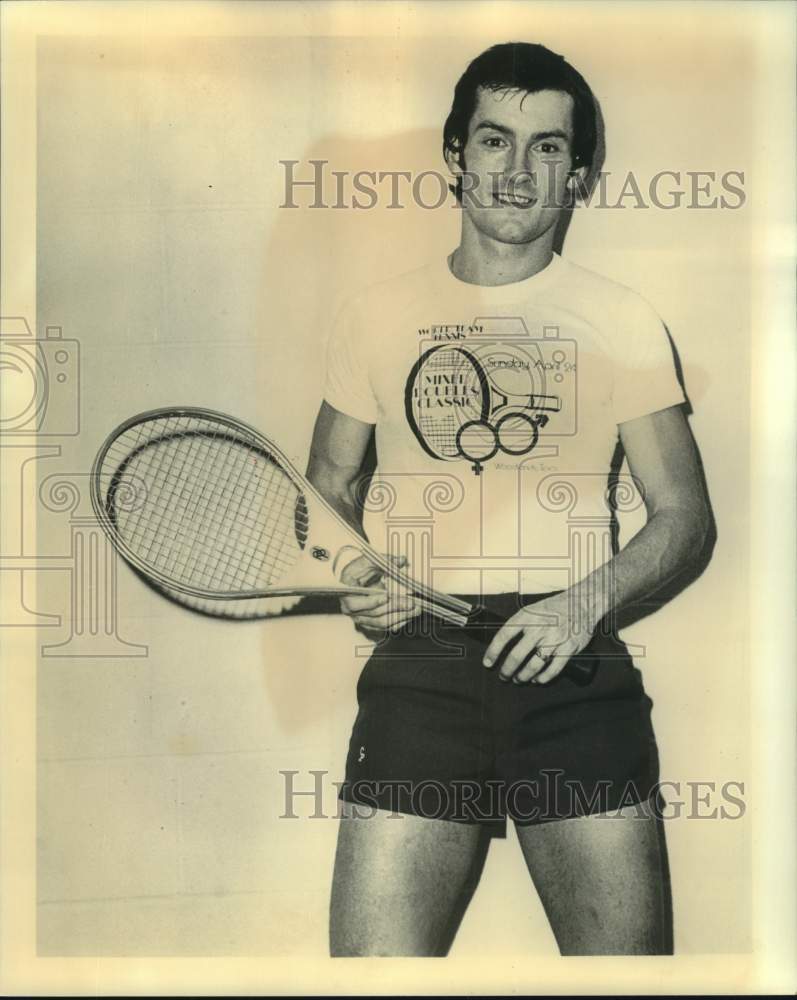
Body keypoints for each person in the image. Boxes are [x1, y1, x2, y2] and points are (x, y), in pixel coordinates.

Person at [306, 41, 711, 956]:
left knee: (626, 980)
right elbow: (327, 484)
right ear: (455, 155)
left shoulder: (622, 317)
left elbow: (685, 516)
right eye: (494, 141)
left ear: (577, 174)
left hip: (575, 668)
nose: (518, 170)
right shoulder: (371, 313)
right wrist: (354, 572)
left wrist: (584, 603)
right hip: (421, 670)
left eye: (548, 147)